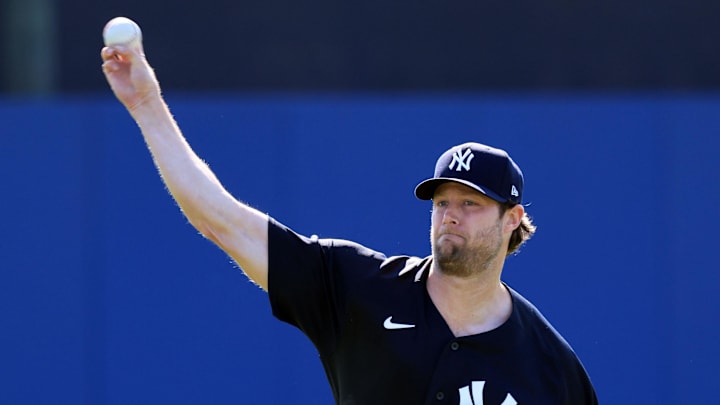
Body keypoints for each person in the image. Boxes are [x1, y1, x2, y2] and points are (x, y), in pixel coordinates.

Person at [101, 41, 598, 404]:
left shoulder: (550, 368)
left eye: (471, 204)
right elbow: (223, 221)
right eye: (442, 200)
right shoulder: (357, 288)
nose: (450, 215)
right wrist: (146, 105)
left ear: (513, 219)